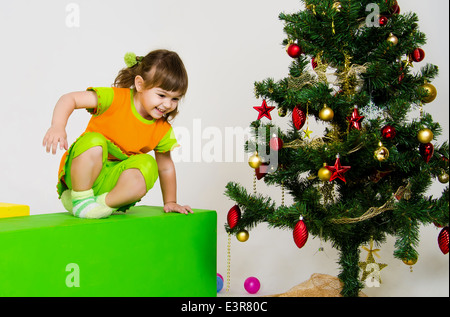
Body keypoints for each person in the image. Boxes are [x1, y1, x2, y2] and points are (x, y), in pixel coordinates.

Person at [43, 49, 193, 219]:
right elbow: (70, 99)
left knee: (149, 164)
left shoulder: (162, 129)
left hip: (112, 184)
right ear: (140, 84)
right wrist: (58, 126)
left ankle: (102, 204)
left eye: (175, 99)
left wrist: (170, 201)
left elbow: (165, 167)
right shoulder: (115, 98)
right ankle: (79, 199)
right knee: (95, 140)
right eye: (161, 95)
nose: (167, 105)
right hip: (82, 175)